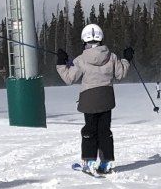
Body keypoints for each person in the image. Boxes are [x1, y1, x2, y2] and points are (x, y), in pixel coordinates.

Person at [54, 23, 132, 175]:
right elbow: (120, 74)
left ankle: (89, 161)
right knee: (104, 130)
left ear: (84, 40)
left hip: (89, 99)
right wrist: (127, 59)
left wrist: (61, 63)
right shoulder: (112, 57)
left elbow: (69, 78)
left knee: (90, 130)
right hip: (106, 98)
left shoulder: (81, 59)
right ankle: (106, 162)